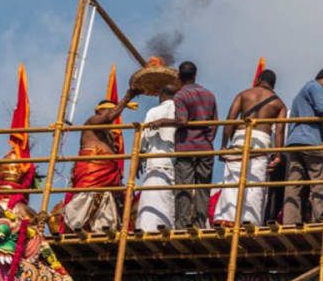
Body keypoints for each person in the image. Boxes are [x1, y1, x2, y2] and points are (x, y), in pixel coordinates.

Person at [148, 61, 217, 229]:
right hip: (205, 147)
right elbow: (215, 122)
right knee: (203, 188)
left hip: (186, 147)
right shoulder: (209, 95)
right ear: (195, 75)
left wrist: (162, 121)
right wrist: (208, 139)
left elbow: (182, 121)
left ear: (179, 76)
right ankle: (200, 224)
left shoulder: (180, 95)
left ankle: (182, 225)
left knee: (184, 188)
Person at [212, 69, 286, 226]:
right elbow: (279, 130)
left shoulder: (244, 94)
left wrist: (223, 146)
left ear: (258, 80)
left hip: (240, 138)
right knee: (255, 183)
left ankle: (226, 218)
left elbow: (230, 119)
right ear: (273, 85)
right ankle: (249, 221)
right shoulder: (279, 104)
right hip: (261, 142)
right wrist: (278, 155)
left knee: (232, 180)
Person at [62, 88, 139, 231]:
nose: (113, 117)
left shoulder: (109, 136)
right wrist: (127, 98)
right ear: (100, 111)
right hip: (91, 176)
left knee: (106, 217)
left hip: (107, 182)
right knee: (81, 208)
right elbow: (109, 117)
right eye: (110, 111)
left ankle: (101, 233)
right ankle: (73, 228)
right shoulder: (92, 121)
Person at [281, 66, 323, 225]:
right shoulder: (315, 86)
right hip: (309, 140)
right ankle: (320, 218)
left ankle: (290, 221)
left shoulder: (303, 92)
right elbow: (321, 107)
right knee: (320, 181)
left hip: (294, 143)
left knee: (294, 184)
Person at [136, 83, 178, 231]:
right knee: (168, 197)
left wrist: (139, 157)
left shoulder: (153, 112)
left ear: (162, 96)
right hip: (174, 161)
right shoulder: (180, 111)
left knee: (152, 197)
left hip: (154, 160)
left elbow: (143, 137)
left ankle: (148, 228)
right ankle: (167, 227)